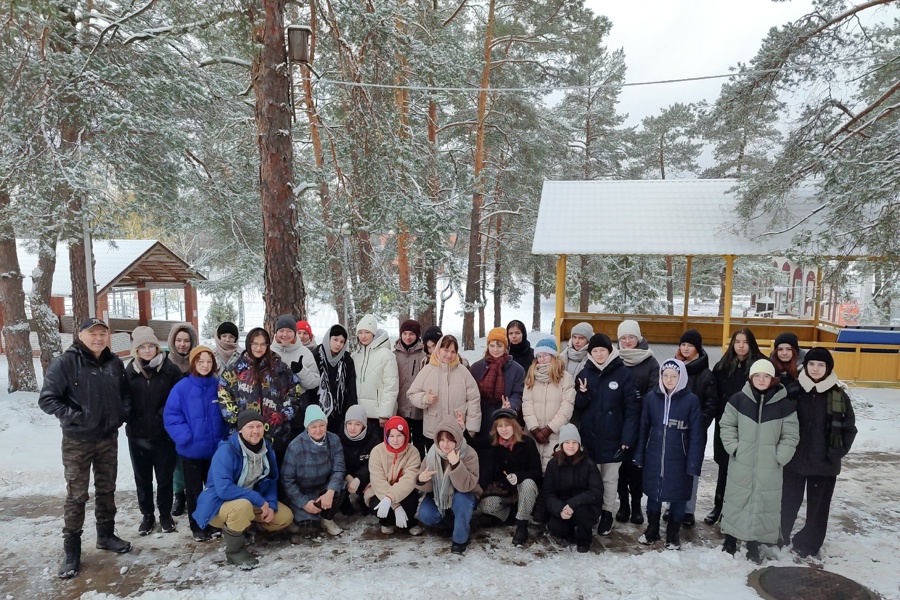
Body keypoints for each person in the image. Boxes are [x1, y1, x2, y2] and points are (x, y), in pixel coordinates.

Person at [39, 318, 132, 579]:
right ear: (80, 335)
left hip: (107, 438)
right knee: (77, 495)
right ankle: (72, 550)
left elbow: (125, 394)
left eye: (103, 333)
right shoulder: (65, 363)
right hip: (77, 440)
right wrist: (76, 416)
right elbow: (47, 400)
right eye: (93, 334)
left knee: (107, 489)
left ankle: (106, 535)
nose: (99, 338)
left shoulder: (114, 363)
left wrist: (121, 413)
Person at [719, 359, 799, 564]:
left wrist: (779, 456)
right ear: (751, 378)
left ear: (772, 379)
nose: (761, 380)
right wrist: (734, 448)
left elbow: (790, 435)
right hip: (742, 462)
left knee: (762, 502)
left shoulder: (784, 404)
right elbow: (727, 425)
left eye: (766, 376)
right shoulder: (739, 400)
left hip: (769, 465)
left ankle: (753, 542)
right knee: (737, 498)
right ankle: (730, 536)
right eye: (757, 376)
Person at [193, 410, 293, 570]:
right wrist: (258, 500)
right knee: (243, 506)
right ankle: (234, 551)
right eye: (250, 427)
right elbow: (223, 489)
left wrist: (271, 504)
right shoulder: (226, 451)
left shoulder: (266, 447)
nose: (255, 431)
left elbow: (272, 479)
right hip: (219, 505)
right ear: (240, 430)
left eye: (259, 426)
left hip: (248, 502)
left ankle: (247, 529)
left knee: (284, 517)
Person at [781, 348, 857, 558]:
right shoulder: (794, 390)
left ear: (828, 368)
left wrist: (835, 453)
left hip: (824, 464)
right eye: (812, 364)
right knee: (787, 501)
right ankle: (780, 536)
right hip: (794, 461)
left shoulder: (839, 396)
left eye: (821, 365)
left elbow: (849, 429)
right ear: (806, 366)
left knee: (818, 508)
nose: (815, 369)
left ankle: (809, 542)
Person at [574, 333, 640, 537]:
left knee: (610, 479)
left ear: (610, 351)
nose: (599, 354)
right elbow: (578, 408)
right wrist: (583, 395)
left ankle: (607, 514)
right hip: (590, 438)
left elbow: (632, 409)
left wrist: (627, 438)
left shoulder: (623, 374)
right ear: (590, 353)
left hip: (614, 438)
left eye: (602, 350)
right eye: (595, 351)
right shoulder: (584, 373)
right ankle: (593, 511)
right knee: (592, 478)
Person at [633, 360, 703, 550]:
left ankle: (673, 533)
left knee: (679, 496)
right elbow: (643, 428)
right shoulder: (651, 398)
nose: (669, 380)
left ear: (681, 377)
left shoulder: (691, 401)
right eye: (665, 376)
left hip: (680, 458)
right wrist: (639, 455)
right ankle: (653, 528)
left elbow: (697, 434)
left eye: (674, 376)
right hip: (654, 455)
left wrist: (693, 462)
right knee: (654, 494)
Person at [164, 346, 228, 541]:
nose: (205, 365)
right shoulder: (182, 387)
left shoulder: (218, 385)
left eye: (208, 361)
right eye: (200, 362)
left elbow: (227, 412)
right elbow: (171, 416)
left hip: (215, 449)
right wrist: (185, 437)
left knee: (213, 489)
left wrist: (225, 437)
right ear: (193, 363)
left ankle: (212, 523)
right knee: (194, 491)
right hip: (191, 450)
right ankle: (197, 526)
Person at [124, 326, 183, 536]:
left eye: (151, 346)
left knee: (164, 477)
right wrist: (129, 413)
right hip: (137, 434)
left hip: (163, 436)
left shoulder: (170, 370)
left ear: (158, 348)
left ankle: (165, 514)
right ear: (136, 351)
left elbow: (176, 399)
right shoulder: (129, 372)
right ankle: (147, 515)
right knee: (142, 478)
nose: (148, 351)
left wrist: (162, 415)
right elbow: (124, 398)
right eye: (142, 347)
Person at [218, 328, 304, 461]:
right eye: (255, 344)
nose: (259, 348)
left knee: (273, 476)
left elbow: (294, 390)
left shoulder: (279, 367)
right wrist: (234, 417)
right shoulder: (237, 368)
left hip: (276, 436)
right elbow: (223, 389)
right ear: (248, 344)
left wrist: (284, 414)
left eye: (263, 344)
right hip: (245, 437)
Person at [708, 328, 766, 525]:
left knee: (744, 469)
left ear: (751, 344)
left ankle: (739, 509)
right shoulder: (722, 366)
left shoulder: (760, 366)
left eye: (745, 342)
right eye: (737, 341)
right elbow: (713, 395)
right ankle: (719, 505)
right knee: (725, 466)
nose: (741, 346)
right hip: (726, 424)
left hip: (749, 425)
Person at [615, 320, 659, 525]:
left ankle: (636, 506)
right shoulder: (615, 360)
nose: (627, 341)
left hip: (642, 422)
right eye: (623, 338)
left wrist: (637, 400)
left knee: (637, 466)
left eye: (631, 337)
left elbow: (654, 391)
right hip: (619, 422)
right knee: (621, 467)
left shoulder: (650, 361)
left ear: (638, 338)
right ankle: (623, 504)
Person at [477, 408, 542, 546]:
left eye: (507, 425)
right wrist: (462, 429)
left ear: (514, 426)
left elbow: (537, 472)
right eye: (500, 426)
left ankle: (522, 524)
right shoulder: (494, 443)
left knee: (528, 484)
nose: (504, 429)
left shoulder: (527, 443)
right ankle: (511, 515)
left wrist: (519, 476)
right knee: (486, 505)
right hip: (505, 492)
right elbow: (473, 445)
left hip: (524, 489)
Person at [416, 416, 481, 554]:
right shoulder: (433, 454)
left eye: (450, 440)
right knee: (426, 514)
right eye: (442, 440)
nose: (445, 445)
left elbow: (467, 485)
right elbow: (428, 487)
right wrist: (422, 479)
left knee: (461, 501)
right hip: (439, 495)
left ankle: (460, 539)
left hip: (464, 494)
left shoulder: (469, 453)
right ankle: (453, 523)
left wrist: (456, 464)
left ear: (457, 439)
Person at [281, 405, 346, 537]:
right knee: (310, 528)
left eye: (321, 425)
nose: (318, 430)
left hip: (323, 487)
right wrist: (303, 502)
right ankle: (304, 516)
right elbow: (287, 479)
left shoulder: (334, 440)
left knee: (342, 485)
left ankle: (327, 518)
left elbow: (338, 469)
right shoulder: (295, 447)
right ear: (307, 428)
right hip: (302, 491)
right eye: (313, 426)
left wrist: (330, 491)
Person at [674, 329, 717, 527]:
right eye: (683, 344)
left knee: (691, 470)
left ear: (697, 348)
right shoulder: (673, 368)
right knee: (673, 467)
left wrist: (700, 424)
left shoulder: (705, 374)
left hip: (695, 430)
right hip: (674, 428)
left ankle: (688, 510)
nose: (686, 348)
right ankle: (672, 506)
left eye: (690, 345)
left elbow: (711, 403)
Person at [407, 334, 481, 445]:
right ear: (439, 349)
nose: (449, 355)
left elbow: (474, 399)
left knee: (456, 461)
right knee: (435, 462)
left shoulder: (463, 372)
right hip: (433, 430)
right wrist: (424, 399)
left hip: (457, 429)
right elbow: (412, 394)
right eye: (446, 350)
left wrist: (471, 428)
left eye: (453, 352)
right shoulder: (427, 370)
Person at [543, 424, 604, 553]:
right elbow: (548, 493)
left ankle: (584, 541)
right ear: (561, 444)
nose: (571, 446)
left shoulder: (588, 463)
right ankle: (571, 532)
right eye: (567, 442)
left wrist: (573, 503)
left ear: (579, 444)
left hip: (584, 504)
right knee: (557, 528)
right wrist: (559, 509)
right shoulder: (553, 464)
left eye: (574, 442)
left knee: (583, 514)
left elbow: (596, 491)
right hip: (562, 505)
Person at [522, 337, 575, 471]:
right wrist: (534, 429)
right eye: (539, 356)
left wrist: (549, 429)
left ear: (553, 356)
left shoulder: (565, 378)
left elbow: (567, 406)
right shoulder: (531, 377)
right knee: (534, 469)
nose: (542, 359)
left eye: (545, 355)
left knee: (553, 470)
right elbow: (527, 404)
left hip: (555, 434)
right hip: (534, 433)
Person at [365, 415, 424, 535]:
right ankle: (387, 522)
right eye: (391, 436)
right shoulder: (377, 451)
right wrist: (395, 506)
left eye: (399, 435)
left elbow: (408, 480)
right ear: (386, 436)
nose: (395, 440)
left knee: (411, 501)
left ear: (406, 436)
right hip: (380, 492)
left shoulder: (412, 452)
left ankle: (409, 522)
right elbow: (378, 480)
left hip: (402, 492)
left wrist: (391, 498)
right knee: (376, 504)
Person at [470, 327, 525, 447]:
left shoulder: (517, 370)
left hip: (505, 422)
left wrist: (511, 404)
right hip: (482, 421)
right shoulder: (476, 368)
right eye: (492, 345)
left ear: (506, 347)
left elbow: (518, 394)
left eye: (499, 346)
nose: (495, 350)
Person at [167, 321, 199, 517]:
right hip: (175, 420)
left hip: (196, 420)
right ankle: (179, 494)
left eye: (186, 340)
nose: (182, 344)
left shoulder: (198, 362)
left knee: (193, 461)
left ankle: (194, 494)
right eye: (178, 340)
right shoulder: (166, 363)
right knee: (176, 461)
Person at [270, 314, 322, 430]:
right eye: (281, 331)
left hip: (298, 407)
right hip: (272, 406)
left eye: (289, 331)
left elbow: (314, 382)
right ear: (276, 332)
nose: (285, 335)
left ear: (294, 333)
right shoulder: (268, 352)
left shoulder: (305, 352)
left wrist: (301, 371)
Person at [352, 314, 399, 433]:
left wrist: (385, 413)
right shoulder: (355, 355)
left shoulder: (386, 355)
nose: (363, 336)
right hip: (360, 415)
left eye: (367, 332)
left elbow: (391, 387)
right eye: (360, 332)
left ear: (373, 333)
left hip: (378, 416)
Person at [313, 324, 358, 434]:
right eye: (335, 339)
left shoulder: (347, 360)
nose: (338, 344)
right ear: (328, 338)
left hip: (339, 413)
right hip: (317, 411)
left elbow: (351, 388)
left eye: (342, 342)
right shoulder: (315, 356)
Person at [339, 405, 379, 514]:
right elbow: (336, 462)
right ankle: (343, 503)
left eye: (357, 424)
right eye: (349, 423)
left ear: (363, 425)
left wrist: (359, 478)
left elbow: (374, 463)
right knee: (336, 479)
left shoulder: (373, 439)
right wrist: (348, 477)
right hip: (345, 473)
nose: (352, 428)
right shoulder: (338, 438)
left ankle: (364, 499)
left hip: (363, 475)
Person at [394, 319, 427, 455]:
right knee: (402, 444)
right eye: (405, 333)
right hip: (400, 408)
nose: (408, 337)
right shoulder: (394, 355)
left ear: (417, 335)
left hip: (418, 410)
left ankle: (420, 472)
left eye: (412, 334)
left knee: (419, 444)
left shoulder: (424, 355)